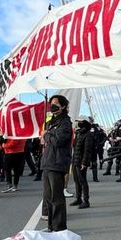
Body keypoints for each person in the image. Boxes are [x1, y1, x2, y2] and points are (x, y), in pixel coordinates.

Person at [41, 95, 73, 232]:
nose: (52, 106)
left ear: (63, 106)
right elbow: (47, 142)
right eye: (51, 103)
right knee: (48, 197)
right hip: (48, 162)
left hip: (57, 163)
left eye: (56, 104)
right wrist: (46, 135)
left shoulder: (65, 122)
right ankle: (50, 225)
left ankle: (59, 227)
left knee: (57, 198)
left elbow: (59, 141)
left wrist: (46, 135)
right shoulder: (51, 122)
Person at [70, 115, 94, 209]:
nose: (78, 123)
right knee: (76, 181)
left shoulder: (88, 135)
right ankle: (78, 198)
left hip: (81, 162)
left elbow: (87, 151)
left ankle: (86, 201)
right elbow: (75, 147)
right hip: (75, 160)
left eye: (80, 122)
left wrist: (84, 162)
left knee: (82, 181)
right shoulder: (79, 133)